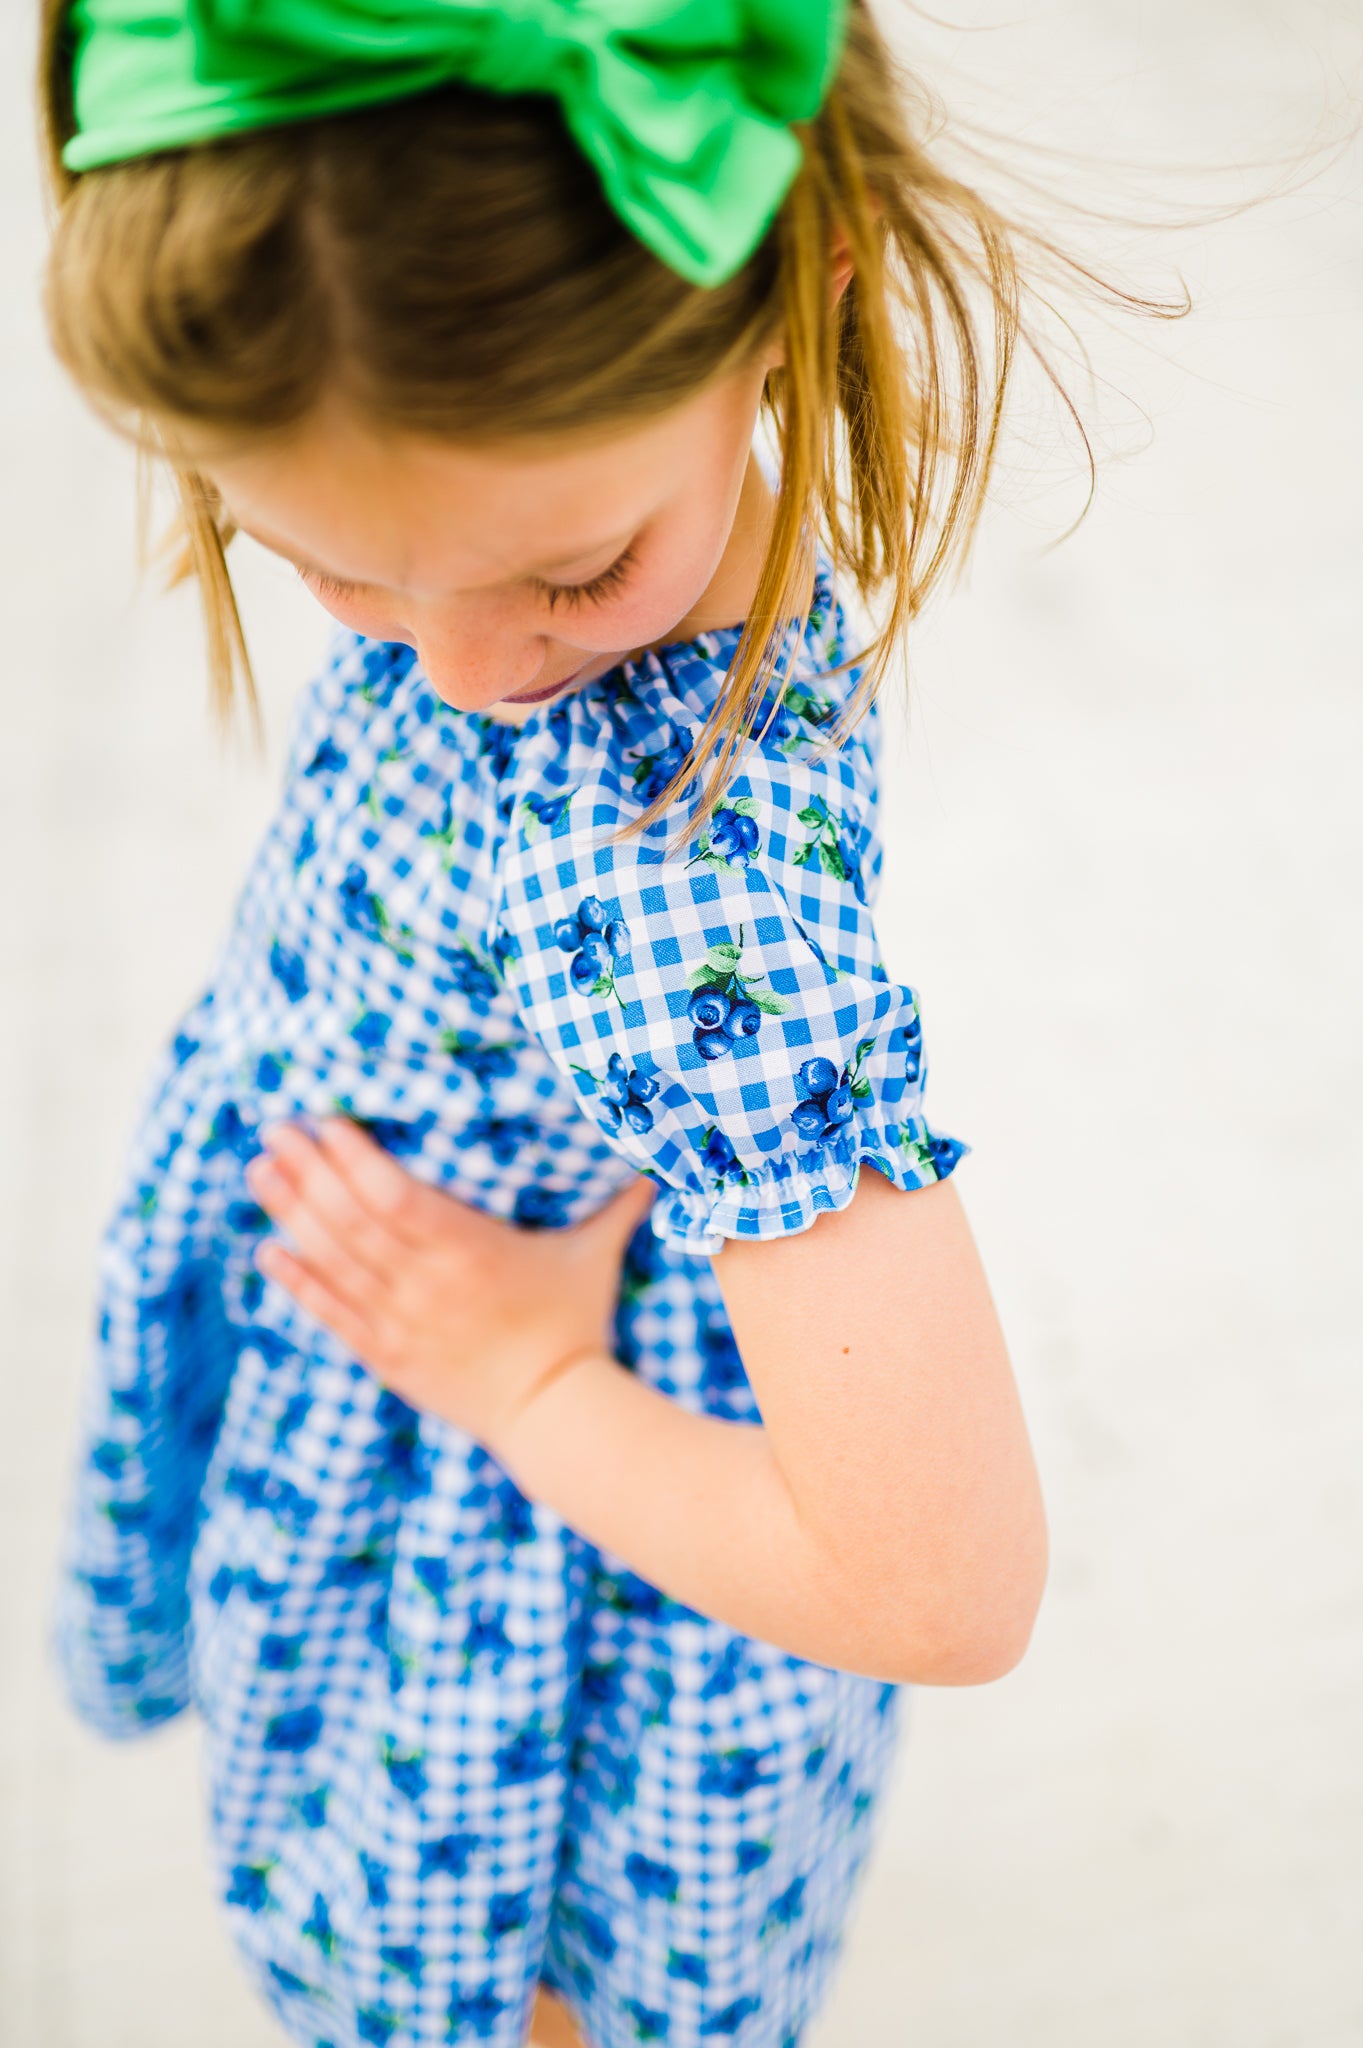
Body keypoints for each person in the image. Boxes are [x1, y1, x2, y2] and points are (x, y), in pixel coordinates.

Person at [40, 2, 1049, 2043]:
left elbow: (944, 1584)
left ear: (789, 287)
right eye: (328, 572)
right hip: (440, 1373)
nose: (465, 670)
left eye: (571, 577)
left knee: (516, 1996)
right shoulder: (490, 520)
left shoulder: (690, 917)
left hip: (531, 1566)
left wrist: (515, 1378)